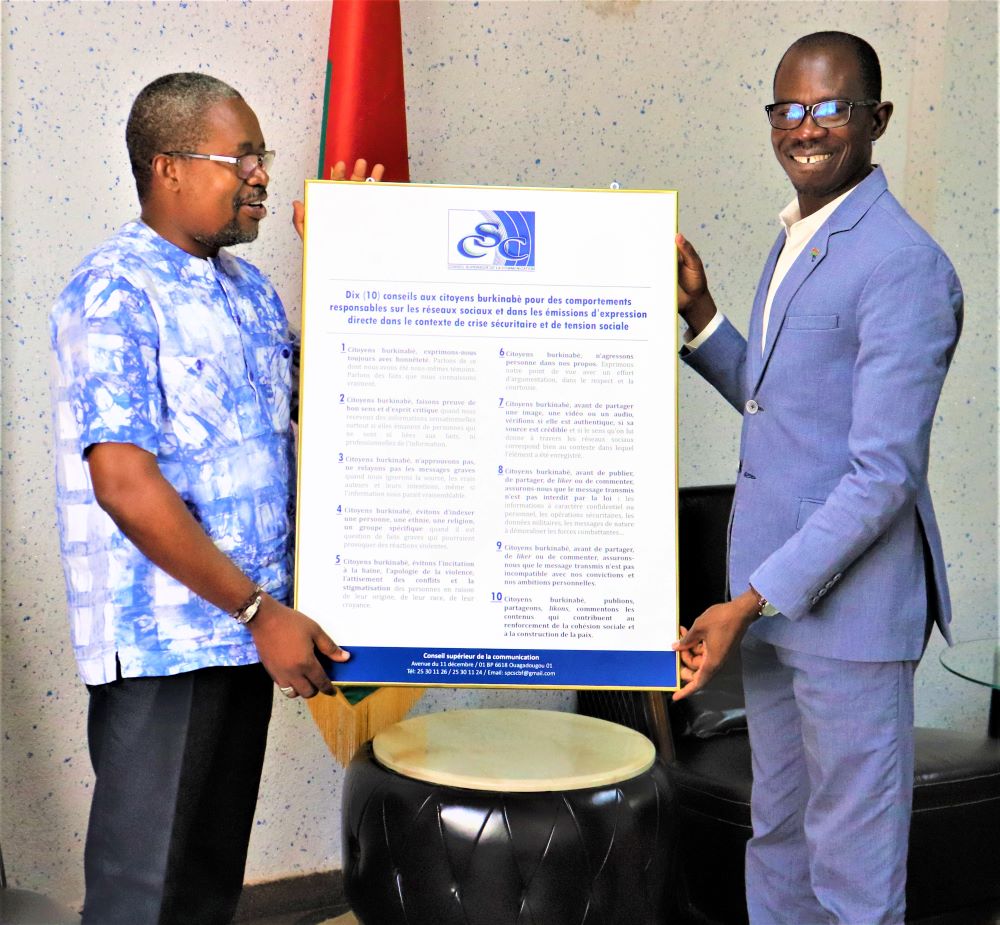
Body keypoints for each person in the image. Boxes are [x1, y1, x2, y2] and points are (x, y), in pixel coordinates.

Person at [50, 72, 378, 924]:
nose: (262, 174)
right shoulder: (115, 289)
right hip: (172, 647)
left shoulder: (250, 293)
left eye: (261, 156)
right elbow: (124, 484)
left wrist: (355, 259)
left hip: (244, 642)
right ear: (167, 167)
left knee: (203, 895)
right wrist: (261, 610)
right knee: (142, 899)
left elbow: (346, 395)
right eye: (244, 156)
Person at [672, 32, 963, 925]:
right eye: (788, 109)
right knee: (782, 841)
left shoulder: (903, 264)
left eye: (830, 107)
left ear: (875, 118)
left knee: (852, 870)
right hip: (777, 613)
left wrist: (747, 601)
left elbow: (882, 476)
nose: (807, 128)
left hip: (847, 619)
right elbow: (782, 406)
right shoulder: (802, 235)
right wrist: (702, 314)